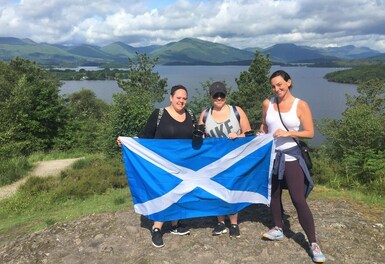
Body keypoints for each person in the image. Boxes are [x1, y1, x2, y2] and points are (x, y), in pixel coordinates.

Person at [259, 70, 326, 263]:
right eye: (273, 86)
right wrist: (260, 134)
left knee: (298, 199)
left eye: (280, 84)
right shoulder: (268, 104)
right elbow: (265, 126)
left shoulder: (300, 105)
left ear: (289, 82)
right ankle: (279, 228)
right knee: (273, 194)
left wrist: (288, 134)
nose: (276, 88)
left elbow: (310, 133)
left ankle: (313, 243)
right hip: (272, 156)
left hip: (291, 157)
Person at [118, 85, 194, 248]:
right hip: (161, 164)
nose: (181, 101)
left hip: (182, 165)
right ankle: (157, 228)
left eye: (184, 98)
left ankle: (175, 224)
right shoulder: (159, 114)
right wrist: (127, 142)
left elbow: (194, 140)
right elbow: (145, 136)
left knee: (180, 192)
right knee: (163, 193)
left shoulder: (190, 116)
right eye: (178, 97)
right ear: (171, 98)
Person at [198, 81, 252, 238]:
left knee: (231, 190)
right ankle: (220, 222)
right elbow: (201, 136)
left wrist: (238, 136)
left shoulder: (236, 111)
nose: (219, 98)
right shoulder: (205, 114)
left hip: (234, 160)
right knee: (216, 190)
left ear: (226, 96)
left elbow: (249, 133)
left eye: (221, 95)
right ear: (210, 96)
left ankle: (234, 223)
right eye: (216, 95)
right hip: (214, 161)